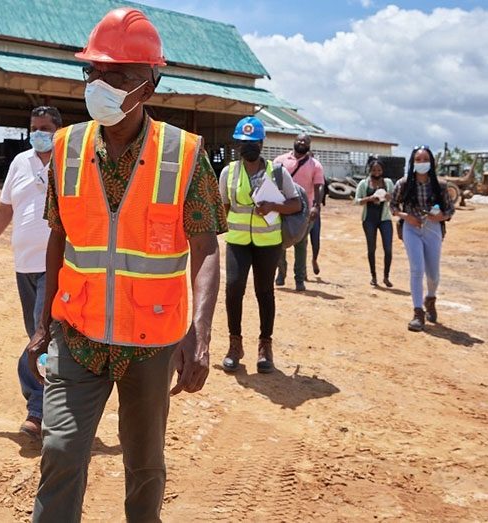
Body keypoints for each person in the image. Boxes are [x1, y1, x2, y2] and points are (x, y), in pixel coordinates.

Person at [24, 8, 224, 522]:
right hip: (80, 333)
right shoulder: (67, 148)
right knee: (61, 450)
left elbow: (204, 248)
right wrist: (43, 322)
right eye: (96, 73)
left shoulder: (184, 153)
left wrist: (199, 334)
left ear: (149, 87)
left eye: (120, 77)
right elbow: (57, 236)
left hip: (151, 342)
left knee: (144, 465)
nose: (103, 85)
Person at [0, 106, 62, 439]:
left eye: (44, 127)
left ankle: (38, 413)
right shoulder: (20, 163)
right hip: (23, 265)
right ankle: (54, 411)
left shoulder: (67, 162)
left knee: (38, 341)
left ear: (58, 129)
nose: (37, 133)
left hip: (54, 265)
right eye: (33, 127)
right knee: (41, 338)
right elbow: (4, 210)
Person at [220, 116, 302, 374]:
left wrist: (273, 206)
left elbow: (296, 204)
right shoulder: (228, 172)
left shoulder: (277, 173)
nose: (249, 147)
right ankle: (235, 345)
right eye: (244, 143)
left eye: (254, 142)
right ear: (237, 145)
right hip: (237, 241)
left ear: (262, 143)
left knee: (264, 292)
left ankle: (265, 347)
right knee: (234, 289)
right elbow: (223, 206)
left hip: (268, 242)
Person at [391, 146, 454, 332]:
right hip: (411, 227)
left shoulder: (440, 185)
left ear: (431, 162)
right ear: (412, 162)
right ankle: (418, 312)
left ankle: (430, 298)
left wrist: (440, 217)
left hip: (433, 229)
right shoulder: (403, 184)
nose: (421, 163)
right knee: (417, 269)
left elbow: (450, 210)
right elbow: (392, 206)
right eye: (418, 160)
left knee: (433, 273)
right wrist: (406, 216)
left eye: (425, 159)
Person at [274, 134, 324, 290]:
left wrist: (316, 205)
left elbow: (319, 186)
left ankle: (299, 280)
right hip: (281, 207)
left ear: (309, 145)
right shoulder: (280, 161)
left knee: (300, 244)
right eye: (299, 140)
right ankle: (281, 273)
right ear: (294, 142)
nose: (302, 142)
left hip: (304, 211)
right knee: (278, 241)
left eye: (306, 141)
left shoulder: (315, 165)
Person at [354, 158, 395, 287]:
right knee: (371, 249)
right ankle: (374, 276)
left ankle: (386, 277)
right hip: (369, 220)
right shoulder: (363, 184)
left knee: (388, 249)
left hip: (385, 219)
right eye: (374, 170)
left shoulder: (388, 182)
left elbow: (395, 198)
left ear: (382, 170)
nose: (377, 172)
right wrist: (369, 199)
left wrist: (390, 197)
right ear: (369, 170)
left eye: (379, 170)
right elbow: (356, 201)